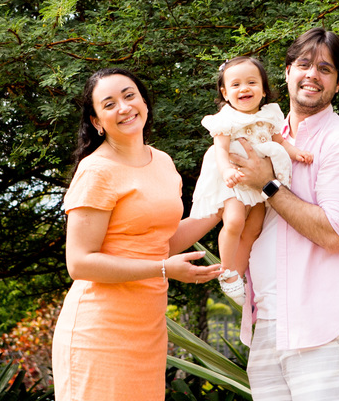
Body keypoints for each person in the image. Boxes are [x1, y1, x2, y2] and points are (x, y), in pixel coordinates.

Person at [51, 68, 222, 401]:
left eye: (129, 96)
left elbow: (162, 243)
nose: (124, 108)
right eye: (109, 104)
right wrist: (162, 269)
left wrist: (222, 208)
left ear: (144, 101)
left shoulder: (163, 162)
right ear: (97, 121)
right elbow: (79, 263)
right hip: (98, 332)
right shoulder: (96, 170)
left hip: (148, 331)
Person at [230, 28, 339, 401]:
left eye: (325, 69)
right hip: (268, 325)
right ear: (288, 71)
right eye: (304, 64)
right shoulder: (264, 137)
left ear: (338, 83)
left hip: (322, 326)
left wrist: (268, 184)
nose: (312, 74)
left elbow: (330, 233)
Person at [188, 56, 312, 304]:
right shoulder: (225, 120)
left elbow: (280, 142)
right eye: (235, 85)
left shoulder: (270, 115)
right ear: (225, 92)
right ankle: (226, 271)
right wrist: (226, 172)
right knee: (234, 221)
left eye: (251, 82)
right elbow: (220, 151)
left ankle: (239, 272)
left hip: (258, 183)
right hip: (235, 178)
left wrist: (296, 152)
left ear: (263, 89)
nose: (244, 88)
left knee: (254, 228)